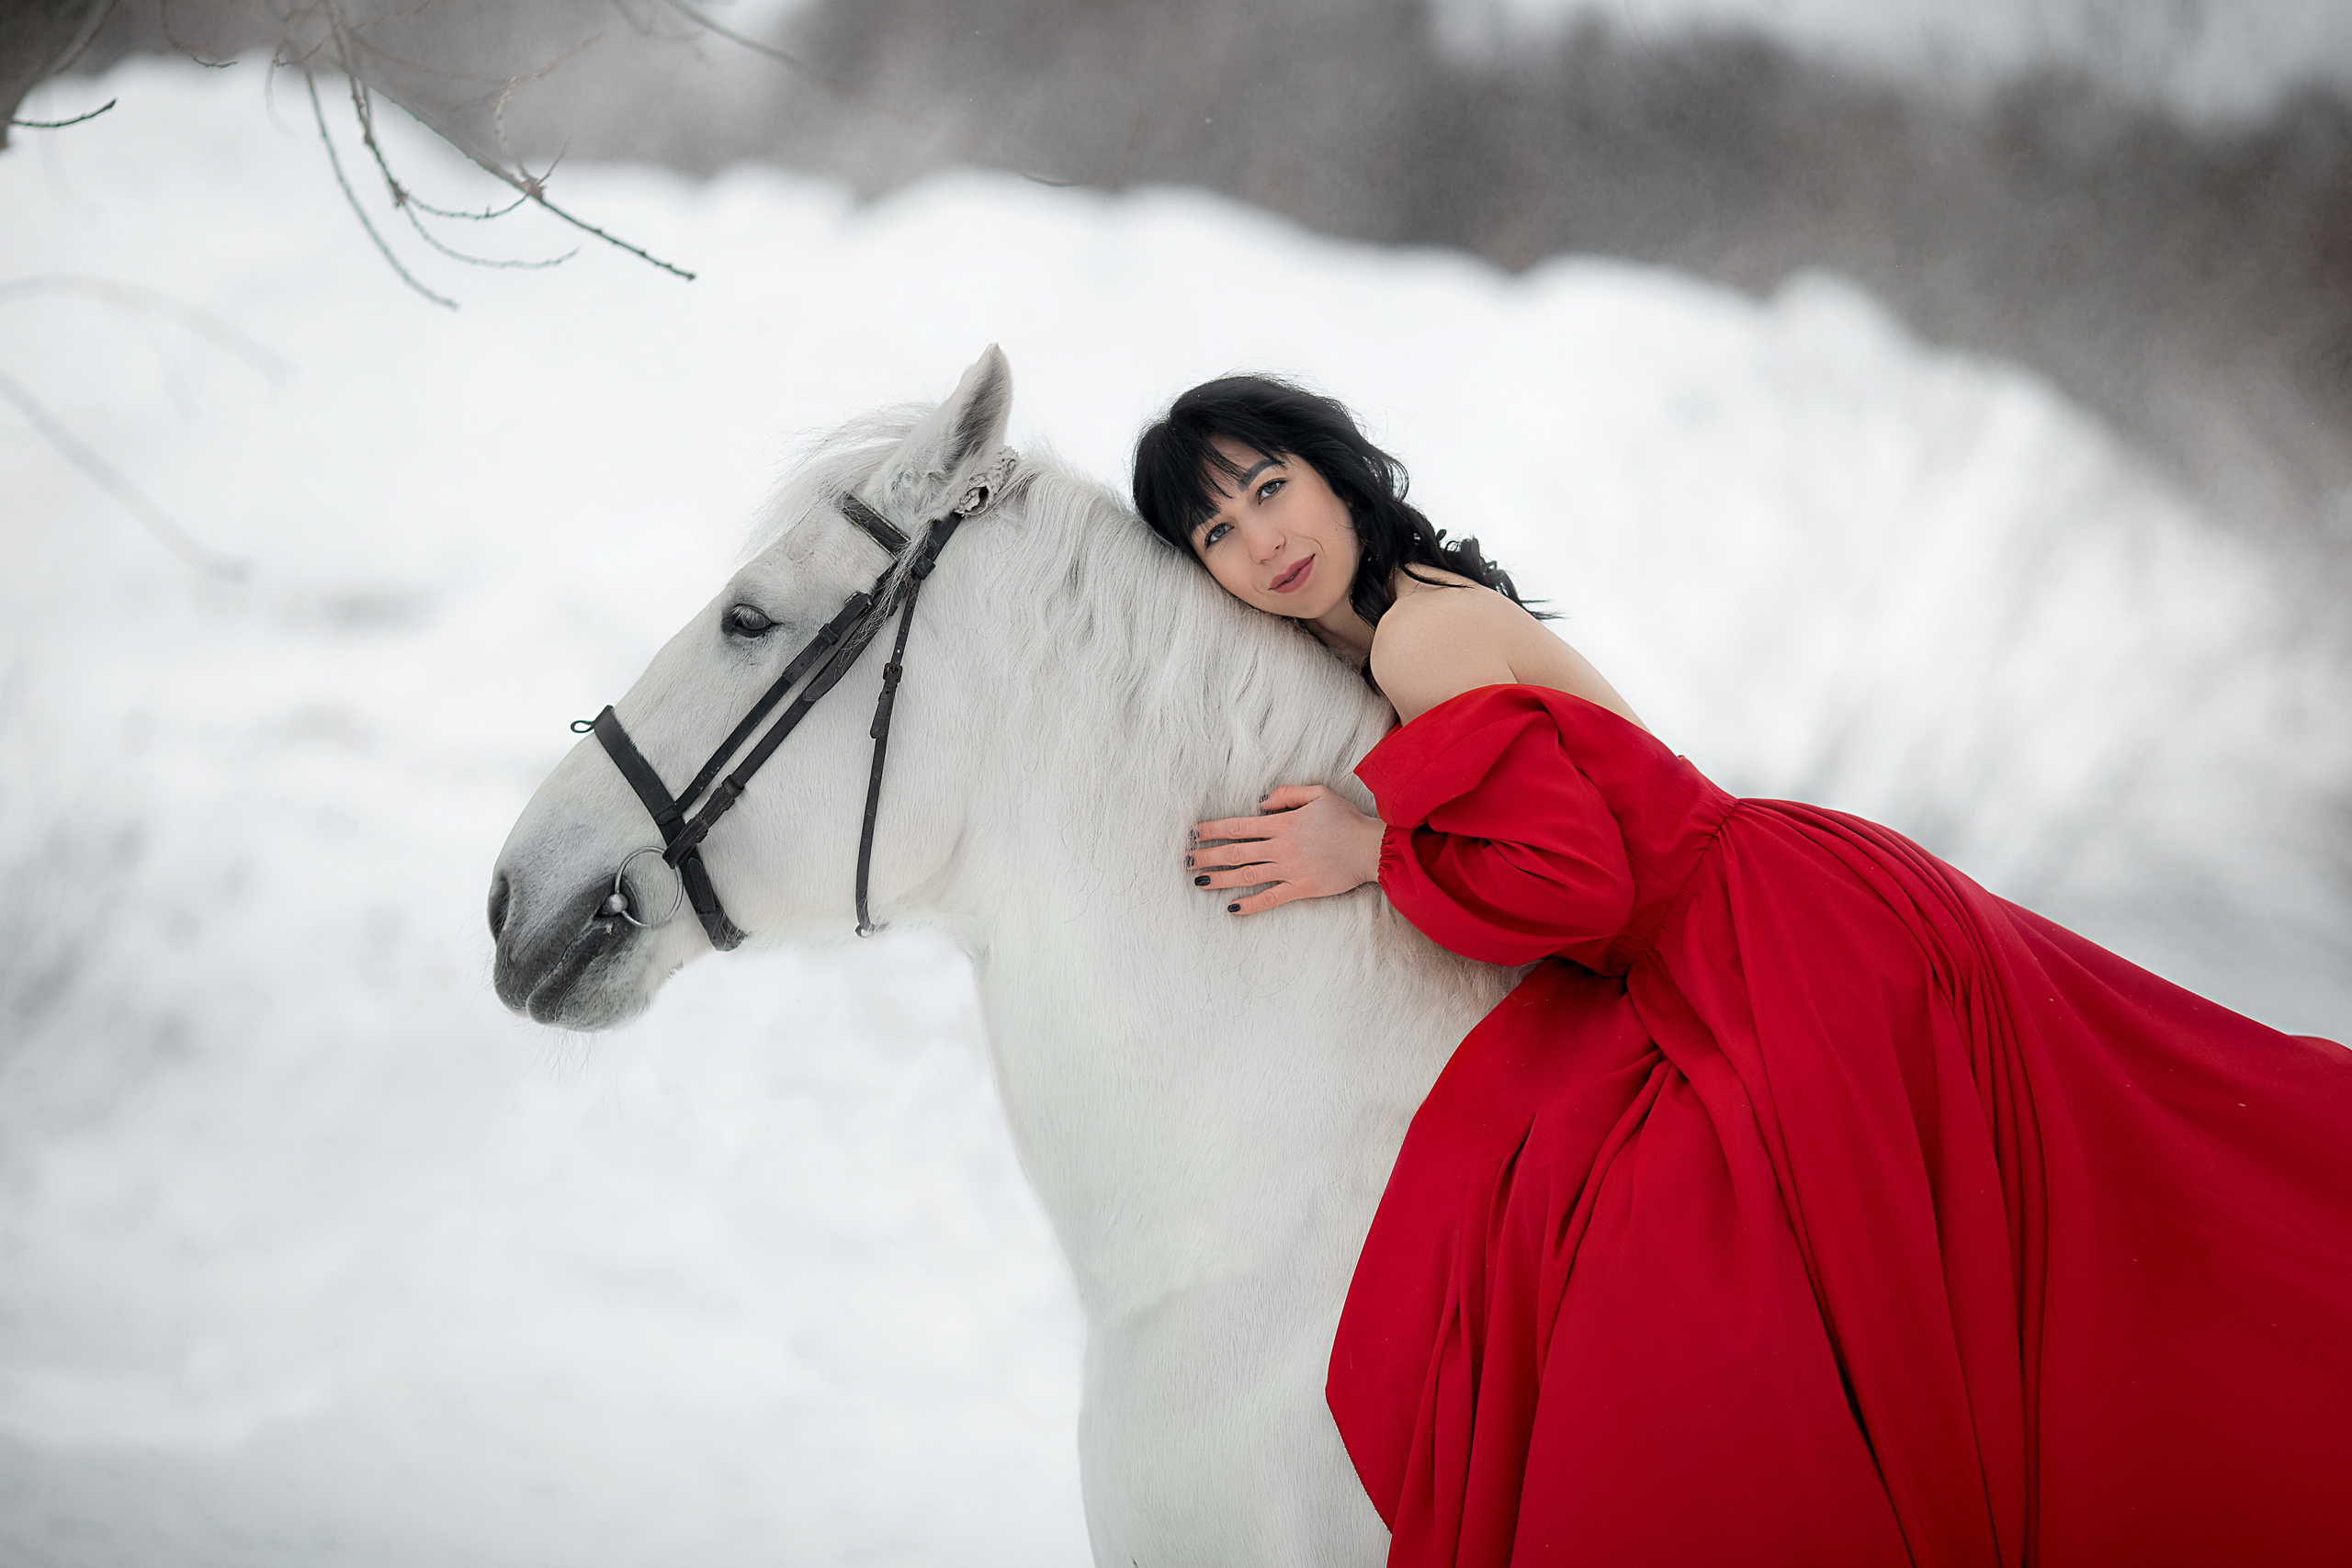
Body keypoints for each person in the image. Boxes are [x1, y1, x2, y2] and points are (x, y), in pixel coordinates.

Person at [1130, 374, 2352, 1568]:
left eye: (1270, 488)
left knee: (1810, 1272)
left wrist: (1372, 851)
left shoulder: (1420, 637)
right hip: (1773, 913)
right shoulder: (1397, 634)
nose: (1261, 540)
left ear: (1337, 473)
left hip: (1775, 945)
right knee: (2023, 1234)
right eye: (1218, 531)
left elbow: (1577, 886)